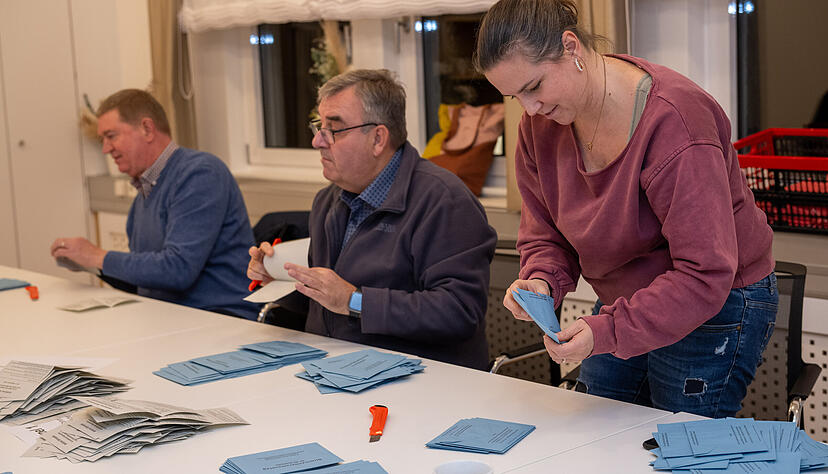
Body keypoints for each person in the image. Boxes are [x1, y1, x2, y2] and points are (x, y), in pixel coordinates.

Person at [476, 0, 777, 417]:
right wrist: (541, 280)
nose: (529, 109)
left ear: (570, 47)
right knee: (594, 427)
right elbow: (545, 234)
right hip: (630, 299)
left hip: (716, 299)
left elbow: (704, 273)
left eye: (534, 87)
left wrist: (609, 330)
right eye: (514, 96)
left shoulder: (676, 122)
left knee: (675, 439)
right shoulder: (539, 126)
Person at [247, 69, 497, 369]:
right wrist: (280, 281)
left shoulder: (444, 201)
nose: (317, 142)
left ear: (378, 138)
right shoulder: (328, 200)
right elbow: (327, 307)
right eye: (318, 126)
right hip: (332, 369)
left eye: (334, 130)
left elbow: (459, 313)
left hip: (418, 378)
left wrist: (354, 301)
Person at [51, 89, 258, 320]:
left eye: (111, 136)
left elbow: (178, 270)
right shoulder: (142, 198)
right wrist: (90, 264)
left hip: (222, 318)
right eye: (103, 140)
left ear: (147, 129)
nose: (106, 149)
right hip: (172, 319)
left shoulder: (201, 173)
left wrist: (96, 256)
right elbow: (146, 281)